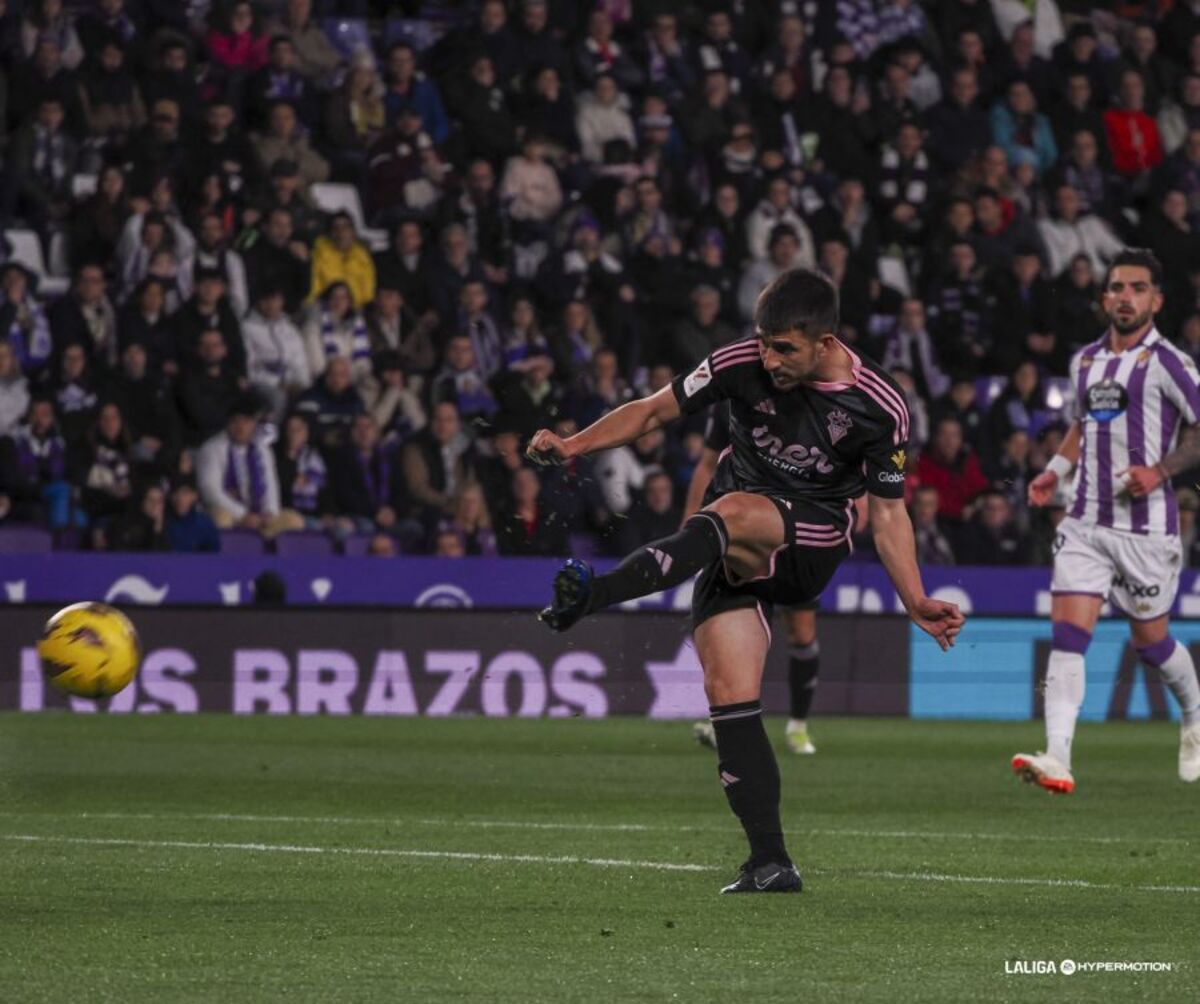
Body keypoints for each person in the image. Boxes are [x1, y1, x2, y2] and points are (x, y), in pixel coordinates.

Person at [527, 269, 964, 894]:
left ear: (825, 341)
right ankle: (770, 862)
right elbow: (654, 409)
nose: (768, 358)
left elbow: (889, 513)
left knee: (727, 511)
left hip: (810, 540)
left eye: (783, 347)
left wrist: (915, 598)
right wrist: (573, 446)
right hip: (734, 538)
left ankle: (593, 596)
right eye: (763, 342)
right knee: (728, 690)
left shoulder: (879, 406)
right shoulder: (738, 363)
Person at [1015, 249, 1200, 794]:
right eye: (1116, 287)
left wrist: (1160, 469)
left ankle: (1194, 715)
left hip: (1146, 530)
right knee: (1068, 636)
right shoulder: (1085, 362)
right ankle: (1058, 756)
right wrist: (1054, 470)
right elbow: (1083, 423)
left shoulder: (1172, 364)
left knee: (1152, 643)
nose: (1125, 296)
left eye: (1137, 288)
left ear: (1156, 300)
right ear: (1104, 298)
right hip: (1085, 523)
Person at [686, 402, 824, 756]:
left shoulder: (818, 404)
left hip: (795, 528)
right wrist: (690, 526)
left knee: (801, 630)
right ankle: (732, 722)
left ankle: (797, 725)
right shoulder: (733, 400)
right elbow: (707, 462)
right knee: (734, 625)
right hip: (741, 527)